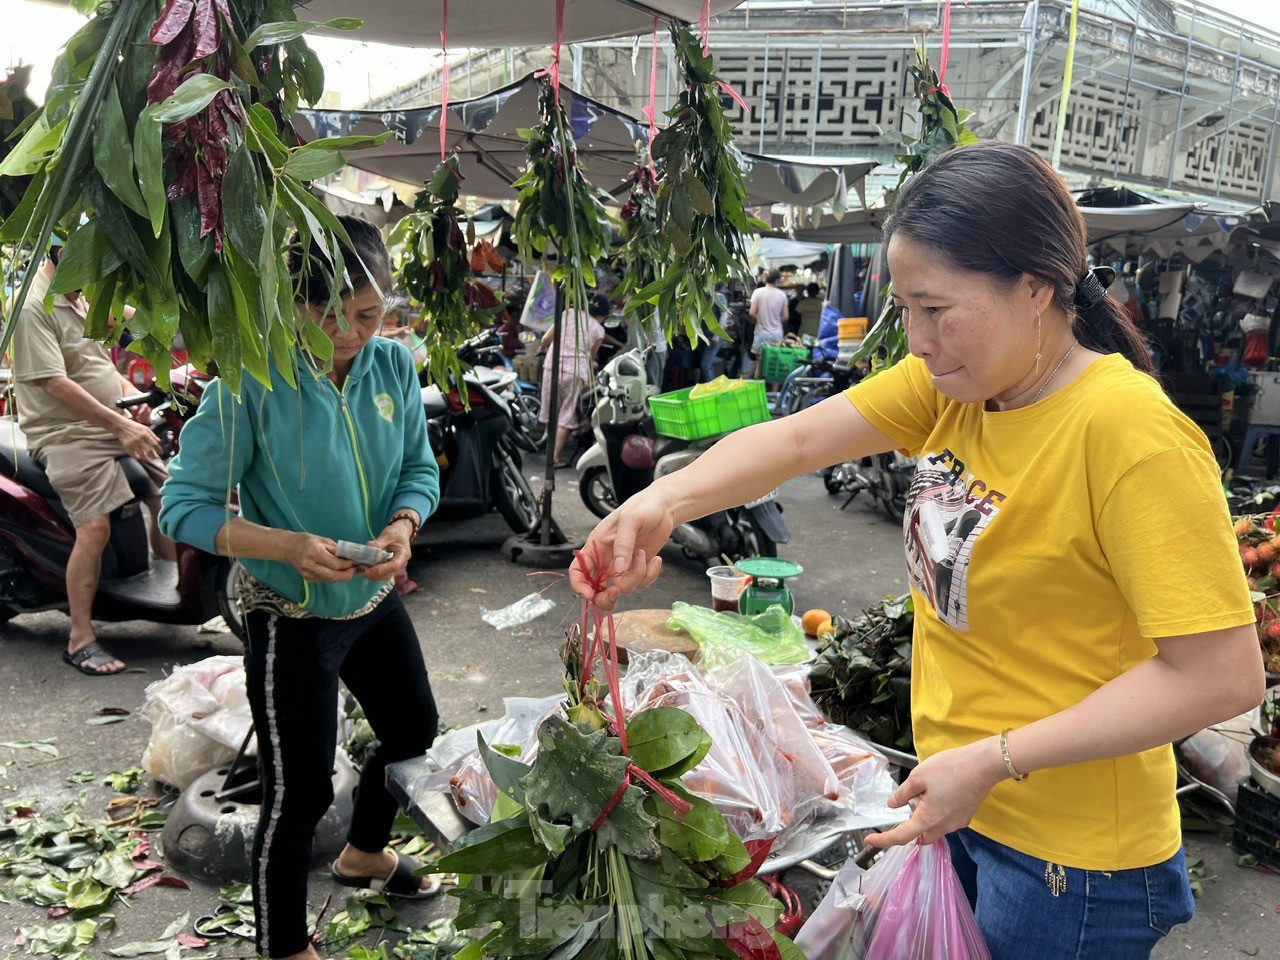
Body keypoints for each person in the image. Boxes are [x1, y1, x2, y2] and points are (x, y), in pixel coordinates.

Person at [568, 142, 1264, 960]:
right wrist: (656, 504)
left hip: (1070, 867)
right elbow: (795, 439)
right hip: (960, 808)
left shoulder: (1130, 435)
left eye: (938, 309)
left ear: (1037, 287)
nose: (920, 340)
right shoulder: (962, 388)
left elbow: (1220, 673)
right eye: (908, 311)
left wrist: (998, 759)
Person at [159, 217, 441, 960]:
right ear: (290, 304)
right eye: (326, 316)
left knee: (413, 730)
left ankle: (363, 853)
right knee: (301, 792)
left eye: (367, 315)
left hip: (374, 597)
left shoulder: (393, 368)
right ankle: (283, 946)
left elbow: (419, 468)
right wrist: (286, 546)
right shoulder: (250, 383)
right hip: (292, 613)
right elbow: (182, 507)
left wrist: (405, 526)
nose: (349, 335)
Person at [9, 240, 175, 676]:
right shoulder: (33, 307)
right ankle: (80, 637)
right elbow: (53, 383)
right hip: (65, 434)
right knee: (95, 524)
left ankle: (176, 590)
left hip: (110, 423)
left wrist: (131, 401)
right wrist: (120, 426)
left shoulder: (80, 297)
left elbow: (100, 369)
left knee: (174, 494)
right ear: (60, 253)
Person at [538, 293, 608, 469]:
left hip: (551, 367)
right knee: (567, 413)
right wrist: (593, 363)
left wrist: (542, 349)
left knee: (551, 408)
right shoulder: (598, 330)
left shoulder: (568, 314)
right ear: (602, 316)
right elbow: (591, 358)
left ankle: (548, 452)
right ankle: (555, 458)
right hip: (575, 371)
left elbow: (546, 338)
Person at [747, 268, 787, 375]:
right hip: (777, 335)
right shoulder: (782, 295)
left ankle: (759, 387)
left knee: (759, 362)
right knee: (774, 364)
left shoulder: (757, 292)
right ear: (777, 280)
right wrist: (776, 321)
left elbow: (751, 312)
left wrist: (761, 319)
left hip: (761, 333)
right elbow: (785, 316)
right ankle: (774, 390)